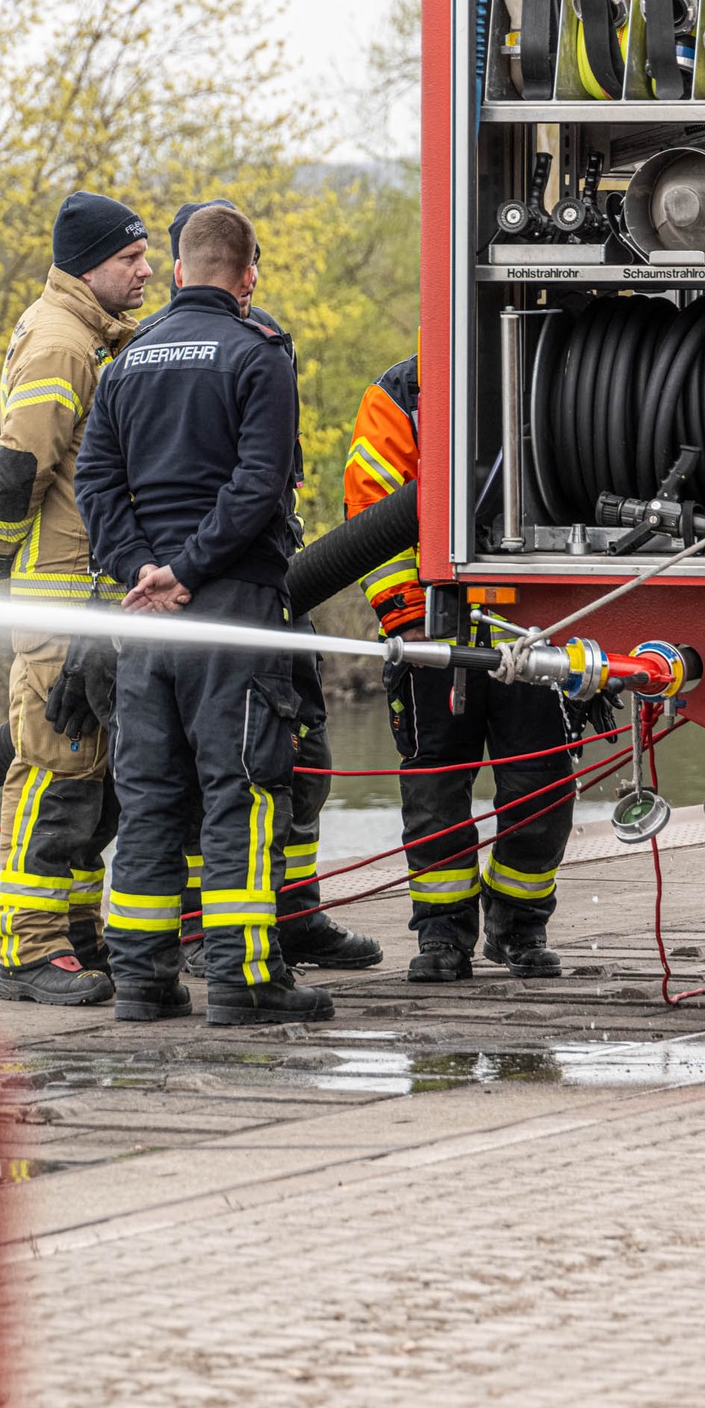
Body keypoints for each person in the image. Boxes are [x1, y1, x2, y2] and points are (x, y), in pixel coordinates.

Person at [75, 202, 336, 1026]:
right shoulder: (259, 357)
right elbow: (260, 488)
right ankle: (245, 980)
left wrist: (141, 572)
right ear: (247, 276)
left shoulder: (127, 362)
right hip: (230, 611)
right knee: (245, 789)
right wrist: (187, 572)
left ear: (181, 271)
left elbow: (95, 487)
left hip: (145, 617)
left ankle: (146, 983)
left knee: (151, 797)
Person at [163, 200, 382, 976]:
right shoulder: (174, 356)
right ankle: (205, 935)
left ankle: (293, 913)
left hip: (269, 587)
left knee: (304, 750)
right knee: (215, 768)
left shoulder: (257, 347)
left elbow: (271, 480)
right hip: (210, 595)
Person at [0, 191, 151, 1007]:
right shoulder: (62, 342)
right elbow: (22, 464)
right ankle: (28, 952)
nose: (144, 271)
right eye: (128, 259)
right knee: (55, 767)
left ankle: (72, 933)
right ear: (87, 264)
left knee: (90, 773)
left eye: (145, 256)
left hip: (86, 593)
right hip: (57, 597)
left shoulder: (88, 335)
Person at [345, 346, 571, 982]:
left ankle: (519, 926)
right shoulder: (398, 395)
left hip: (536, 628)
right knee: (435, 786)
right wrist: (408, 619)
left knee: (541, 782)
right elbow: (370, 510)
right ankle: (442, 934)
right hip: (432, 629)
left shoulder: (557, 370)